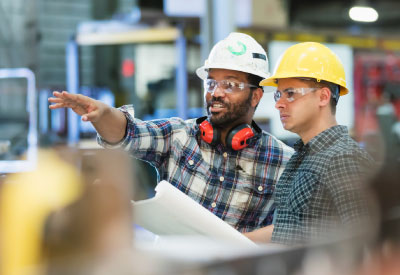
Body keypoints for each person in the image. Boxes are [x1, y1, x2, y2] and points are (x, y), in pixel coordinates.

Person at [49, 32, 294, 233]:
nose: (216, 92)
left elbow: (288, 232)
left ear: (256, 95)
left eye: (229, 84)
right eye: (211, 83)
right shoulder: (179, 135)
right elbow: (128, 133)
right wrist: (102, 114)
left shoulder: (282, 161)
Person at [245, 42, 376, 245]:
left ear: (323, 97)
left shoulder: (343, 160)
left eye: (290, 93)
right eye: (279, 94)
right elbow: (288, 229)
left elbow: (368, 241)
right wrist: (233, 241)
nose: (279, 103)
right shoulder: (302, 157)